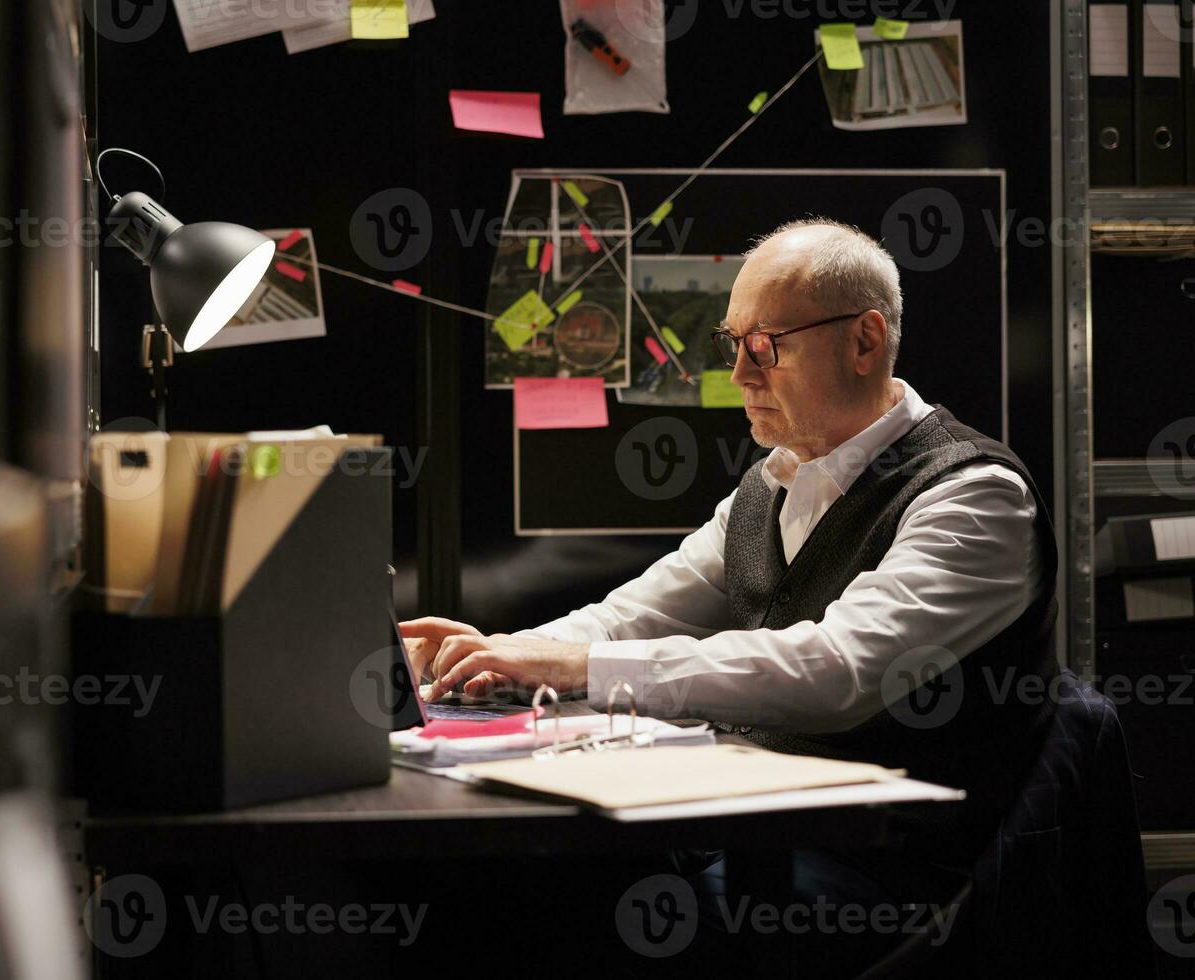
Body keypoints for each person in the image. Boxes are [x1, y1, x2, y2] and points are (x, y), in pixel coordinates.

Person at [403, 217, 1059, 883]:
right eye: (732, 344)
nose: (740, 374)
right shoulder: (769, 486)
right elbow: (627, 618)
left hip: (890, 872)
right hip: (760, 832)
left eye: (766, 346)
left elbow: (841, 671)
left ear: (864, 341)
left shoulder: (976, 498)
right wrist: (495, 657)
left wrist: (571, 664)